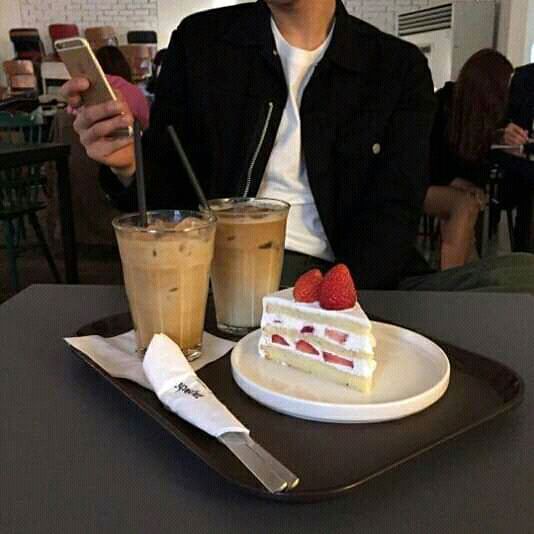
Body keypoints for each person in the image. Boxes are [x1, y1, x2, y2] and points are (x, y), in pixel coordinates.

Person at [62, 0, 534, 292]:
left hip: (348, 284)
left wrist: (333, 306)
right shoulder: (202, 44)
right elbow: (170, 200)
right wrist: (127, 165)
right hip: (227, 273)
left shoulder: (396, 68)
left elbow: (393, 216)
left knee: (521, 277)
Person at [425, 50, 513, 269]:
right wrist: (457, 182)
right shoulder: (439, 107)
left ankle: (461, 273)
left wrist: (498, 136)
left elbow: (474, 168)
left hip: (437, 185)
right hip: (415, 186)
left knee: (470, 204)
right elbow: (424, 162)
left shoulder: (476, 117)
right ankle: (452, 281)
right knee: (464, 205)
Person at [94, 46, 150, 129]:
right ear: (123, 64)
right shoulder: (134, 92)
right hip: (130, 139)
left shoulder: (87, 89)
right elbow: (146, 124)